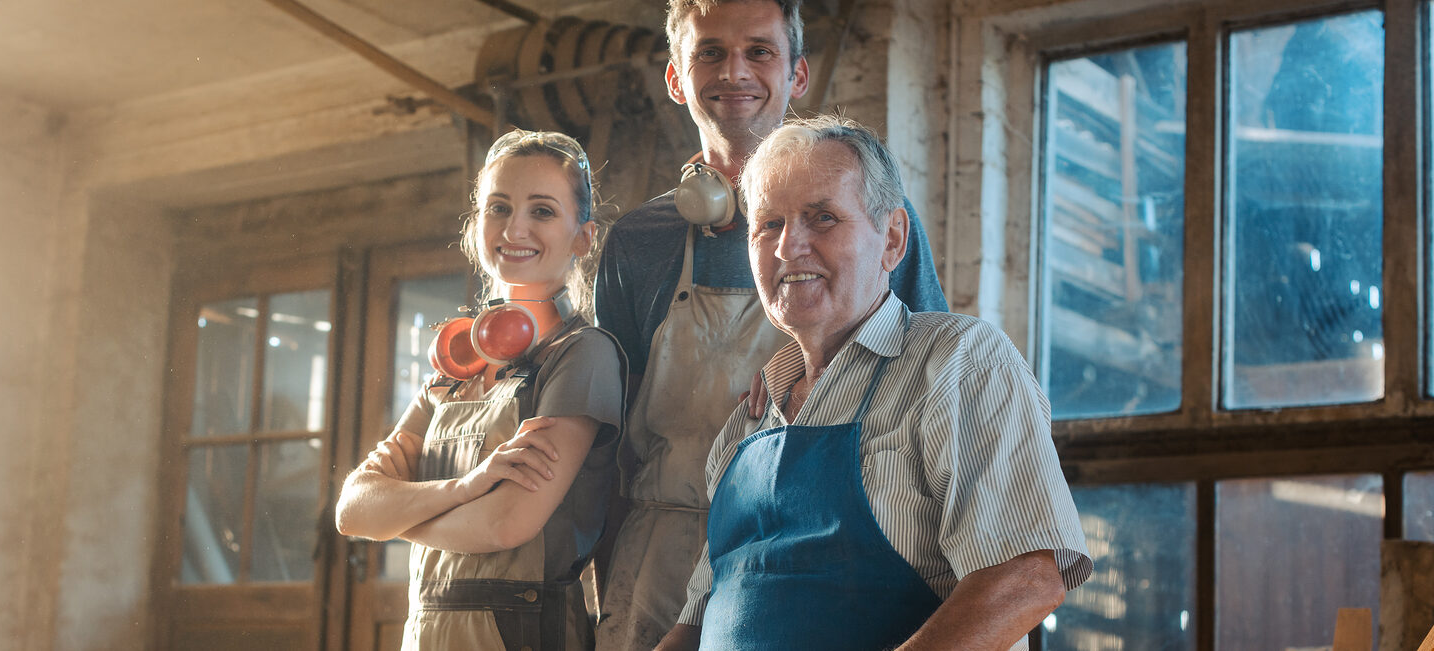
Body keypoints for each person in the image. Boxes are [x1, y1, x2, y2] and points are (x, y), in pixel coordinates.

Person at [658, 116, 1092, 651]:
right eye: (768, 224)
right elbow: (697, 623)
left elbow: (1024, 579)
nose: (788, 246)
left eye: (822, 218)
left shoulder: (955, 362)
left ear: (892, 239)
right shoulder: (745, 425)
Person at [594, 1, 950, 647]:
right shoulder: (637, 243)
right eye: (709, 51)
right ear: (676, 76)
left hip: (805, 551)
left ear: (798, 76)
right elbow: (610, 448)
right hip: (656, 563)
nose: (735, 71)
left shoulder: (873, 226)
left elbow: (930, 391)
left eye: (760, 51)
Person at [334, 129, 626, 651]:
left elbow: (505, 524)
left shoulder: (583, 355)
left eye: (542, 211)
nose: (515, 227)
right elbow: (353, 509)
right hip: (425, 632)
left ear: (582, 237)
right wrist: (469, 487)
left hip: (521, 634)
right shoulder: (454, 367)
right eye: (499, 207)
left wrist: (398, 517)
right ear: (475, 227)